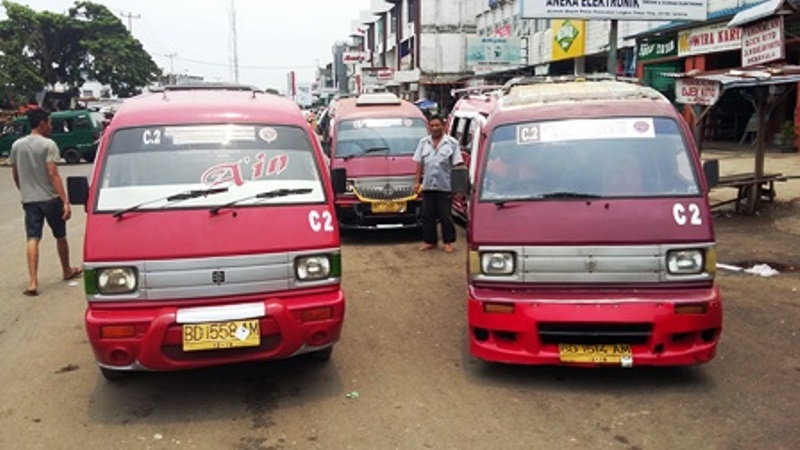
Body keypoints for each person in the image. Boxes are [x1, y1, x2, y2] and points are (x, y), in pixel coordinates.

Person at [8, 108, 82, 296]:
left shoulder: (17, 145)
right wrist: (65, 201)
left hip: (30, 200)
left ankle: (32, 282)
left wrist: (24, 191)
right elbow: (53, 174)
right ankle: (66, 270)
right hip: (50, 199)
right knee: (60, 235)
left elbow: (16, 175)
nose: (50, 126)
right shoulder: (48, 145)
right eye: (49, 123)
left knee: (33, 238)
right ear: (41, 124)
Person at [413, 114, 464, 253]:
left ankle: (448, 242)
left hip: (445, 186)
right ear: (429, 127)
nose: (435, 128)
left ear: (443, 126)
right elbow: (419, 164)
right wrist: (417, 182)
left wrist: (458, 187)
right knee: (427, 215)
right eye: (432, 126)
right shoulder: (423, 143)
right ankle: (430, 241)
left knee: (445, 216)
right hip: (428, 185)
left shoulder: (452, 143)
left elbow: (457, 165)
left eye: (437, 125)